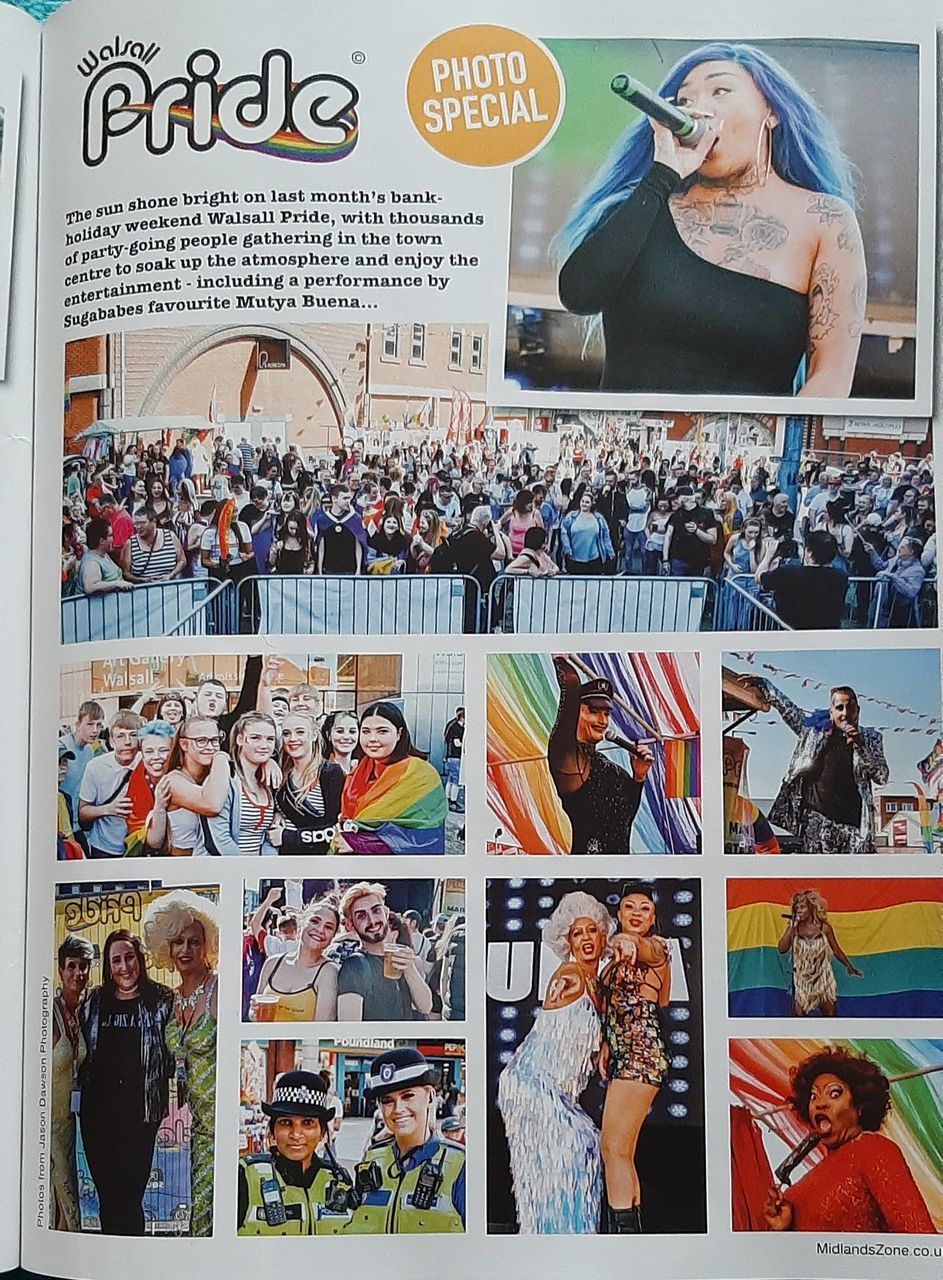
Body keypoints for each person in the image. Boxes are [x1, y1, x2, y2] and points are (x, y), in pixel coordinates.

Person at [556, 43, 866, 397]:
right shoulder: (643, 206)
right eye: (685, 101)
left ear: (771, 110)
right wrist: (662, 175)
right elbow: (578, 295)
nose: (699, 110)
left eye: (721, 91)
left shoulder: (825, 222)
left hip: (750, 447)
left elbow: (830, 378)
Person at [497, 892, 612, 1233]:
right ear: (568, 941)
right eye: (577, 933)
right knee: (573, 1151)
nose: (586, 939)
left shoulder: (597, 985)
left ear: (602, 935)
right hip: (531, 1084)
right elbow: (559, 1004)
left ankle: (574, 1237)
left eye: (591, 930)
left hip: (558, 1094)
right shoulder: (570, 976)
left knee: (586, 1148)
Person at [764, 1048, 936, 1232]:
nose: (820, 1103)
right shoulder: (811, 1175)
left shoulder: (873, 1149)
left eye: (834, 1093)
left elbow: (918, 1237)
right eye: (814, 1096)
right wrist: (785, 1227)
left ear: (860, 1106)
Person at [78, 931, 173, 1235]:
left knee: (130, 1198)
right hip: (97, 1119)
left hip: (140, 1117)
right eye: (116, 960)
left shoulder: (161, 1000)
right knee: (107, 1197)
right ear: (108, 966)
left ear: (140, 960)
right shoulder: (95, 1001)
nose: (124, 966)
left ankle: (133, 1261)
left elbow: (174, 1054)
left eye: (129, 957)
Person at [736, 676, 888, 854]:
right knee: (816, 874)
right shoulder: (815, 732)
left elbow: (882, 776)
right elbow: (790, 711)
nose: (845, 713)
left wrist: (861, 747)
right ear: (831, 711)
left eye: (850, 707)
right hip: (817, 822)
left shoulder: (871, 739)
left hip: (853, 827)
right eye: (839, 708)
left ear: (858, 710)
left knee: (848, 877)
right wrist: (765, 685)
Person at [142, 890, 219, 1236]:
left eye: (194, 942)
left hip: (222, 1126)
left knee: (213, 1216)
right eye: (177, 942)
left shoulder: (219, 989)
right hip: (193, 1130)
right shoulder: (168, 999)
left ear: (207, 945)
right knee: (194, 1217)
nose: (185, 950)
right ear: (166, 948)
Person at [599, 884, 671, 1233]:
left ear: (653, 918)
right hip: (624, 1054)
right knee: (621, 1152)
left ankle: (622, 1238)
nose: (637, 913)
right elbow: (616, 1008)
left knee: (612, 1149)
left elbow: (642, 947)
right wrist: (607, 1043)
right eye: (630, 907)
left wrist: (625, 942)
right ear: (620, 913)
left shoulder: (656, 947)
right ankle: (632, 1235)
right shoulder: (614, 957)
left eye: (645, 908)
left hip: (641, 1055)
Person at [345, 1047, 466, 1233]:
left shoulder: (460, 1166)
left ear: (431, 1096)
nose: (398, 1109)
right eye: (387, 1100)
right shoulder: (371, 1160)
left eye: (408, 1096)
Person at [547, 657, 653, 854]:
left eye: (606, 713)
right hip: (586, 874)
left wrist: (638, 777)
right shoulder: (569, 759)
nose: (602, 721)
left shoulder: (608, 766)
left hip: (620, 873)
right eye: (594, 711)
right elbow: (571, 685)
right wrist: (560, 657)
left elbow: (625, 817)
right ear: (575, 713)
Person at [238, 1070, 355, 1235]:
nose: (296, 1134)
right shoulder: (245, 1177)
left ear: (322, 1132)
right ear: (273, 1131)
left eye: (308, 1123)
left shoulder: (338, 1179)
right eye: (286, 1123)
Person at [335, 702, 448, 855]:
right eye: (366, 731)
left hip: (400, 873)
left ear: (399, 733)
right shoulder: (357, 772)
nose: (372, 739)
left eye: (382, 731)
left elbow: (426, 837)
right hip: (353, 869)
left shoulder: (422, 775)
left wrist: (360, 844)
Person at [335, 882, 433, 1020]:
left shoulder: (399, 958)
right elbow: (350, 1030)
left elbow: (426, 1006)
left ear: (386, 913)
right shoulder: (355, 966)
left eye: (376, 911)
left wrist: (410, 968)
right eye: (361, 916)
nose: (372, 921)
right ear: (350, 925)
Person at [51, 934, 94, 1230]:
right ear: (61, 970)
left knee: (64, 1211)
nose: (78, 973)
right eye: (71, 966)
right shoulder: (47, 1014)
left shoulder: (80, 1012)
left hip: (69, 1127)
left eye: (83, 966)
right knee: (67, 1208)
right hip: (46, 1127)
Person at [145, 716, 230, 856]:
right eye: (201, 741)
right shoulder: (173, 781)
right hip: (183, 868)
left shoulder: (216, 773)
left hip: (215, 865)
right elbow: (212, 805)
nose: (210, 747)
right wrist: (221, 758)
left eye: (214, 740)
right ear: (184, 744)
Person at [777, 889, 862, 1017]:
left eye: (803, 907)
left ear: (811, 908)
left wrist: (849, 966)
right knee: (799, 1015)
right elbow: (781, 949)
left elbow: (836, 950)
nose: (799, 910)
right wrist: (791, 928)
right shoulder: (794, 929)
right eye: (797, 908)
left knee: (830, 1014)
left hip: (822, 976)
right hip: (802, 978)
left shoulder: (824, 928)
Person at [202, 711, 278, 856]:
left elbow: (268, 836)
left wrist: (267, 870)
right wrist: (245, 871)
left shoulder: (268, 779)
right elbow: (219, 839)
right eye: (255, 738)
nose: (264, 745)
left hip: (258, 873)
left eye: (270, 739)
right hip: (227, 871)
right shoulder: (225, 778)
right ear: (240, 739)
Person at [252, 899, 340, 1021]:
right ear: (300, 925)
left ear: (333, 938)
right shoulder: (272, 964)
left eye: (328, 927)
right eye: (314, 921)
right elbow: (253, 1014)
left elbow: (322, 1031)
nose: (320, 930)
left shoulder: (329, 971)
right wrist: (254, 1012)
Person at [271, 711, 344, 854]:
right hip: (284, 863)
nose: (293, 739)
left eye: (300, 732)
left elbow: (335, 828)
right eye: (286, 734)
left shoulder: (330, 772)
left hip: (318, 864)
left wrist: (288, 837)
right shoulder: (279, 773)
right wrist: (276, 814)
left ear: (314, 735)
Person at [77, 710, 143, 859]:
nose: (127, 742)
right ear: (111, 741)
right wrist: (108, 809)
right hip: (104, 847)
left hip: (139, 847)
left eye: (133, 735)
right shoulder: (96, 767)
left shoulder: (147, 763)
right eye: (120, 736)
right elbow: (83, 812)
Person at [758, 529, 848, 629]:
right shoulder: (841, 577)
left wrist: (768, 555)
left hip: (789, 632)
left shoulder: (788, 572)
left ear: (809, 552)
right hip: (826, 635)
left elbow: (759, 578)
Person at [119, 506, 186, 584]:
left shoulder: (170, 536)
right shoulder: (130, 543)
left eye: (142, 523)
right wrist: (141, 580)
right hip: (143, 590)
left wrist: (171, 575)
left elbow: (182, 560)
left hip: (169, 588)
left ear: (154, 522)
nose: (138, 527)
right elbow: (125, 572)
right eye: (136, 523)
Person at [663, 489, 718, 576]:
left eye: (676, 500)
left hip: (698, 561)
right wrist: (665, 560)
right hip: (678, 560)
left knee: (695, 587)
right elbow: (668, 536)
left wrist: (697, 531)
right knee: (676, 587)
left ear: (684, 499)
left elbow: (713, 539)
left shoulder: (706, 513)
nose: (673, 502)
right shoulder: (675, 515)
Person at [560, 491, 615, 575]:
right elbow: (564, 533)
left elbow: (605, 537)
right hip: (574, 558)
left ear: (591, 504)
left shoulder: (599, 518)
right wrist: (567, 549)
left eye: (587, 502)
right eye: (583, 501)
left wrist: (610, 552)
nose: (584, 504)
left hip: (593, 559)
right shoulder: (571, 516)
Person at [321, 709, 360, 776]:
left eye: (352, 732)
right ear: (329, 735)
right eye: (340, 731)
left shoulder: (363, 769)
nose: (346, 737)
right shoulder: (320, 769)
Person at [443, 707, 465, 812]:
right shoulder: (457, 728)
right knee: (456, 780)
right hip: (455, 756)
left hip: (449, 756)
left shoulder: (450, 725)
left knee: (450, 779)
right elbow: (457, 743)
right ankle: (453, 802)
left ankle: (447, 799)